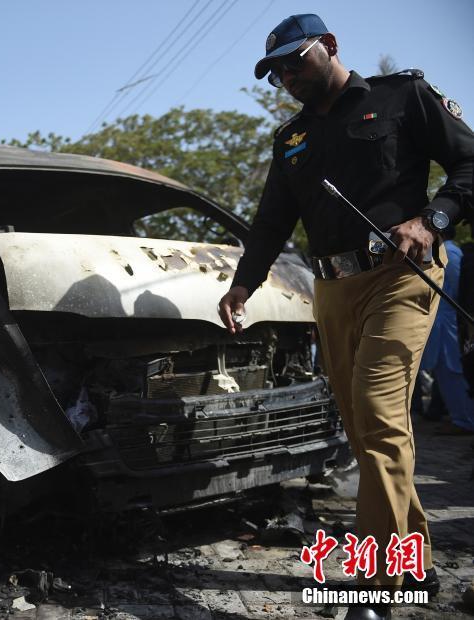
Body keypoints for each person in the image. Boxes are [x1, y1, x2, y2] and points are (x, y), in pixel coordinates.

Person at [217, 14, 474, 619]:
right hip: (331, 290)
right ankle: (416, 567)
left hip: (399, 278)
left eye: (294, 61)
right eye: (274, 71)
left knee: (381, 418)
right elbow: (272, 220)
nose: (285, 76)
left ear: (329, 46)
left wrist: (432, 219)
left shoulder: (401, 95)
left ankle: (378, 589)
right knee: (363, 432)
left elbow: (469, 164)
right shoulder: (291, 140)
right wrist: (242, 284)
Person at [420, 227, 474, 435]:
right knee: (445, 371)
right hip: (444, 321)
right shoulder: (446, 252)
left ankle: (464, 419)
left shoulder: (449, 253)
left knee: (452, 370)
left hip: (448, 323)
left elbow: (457, 293)